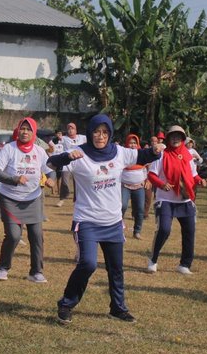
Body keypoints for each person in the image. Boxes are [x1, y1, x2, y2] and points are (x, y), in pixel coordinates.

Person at [49, 114, 164, 325]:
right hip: (87, 221)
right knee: (88, 263)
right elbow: (51, 161)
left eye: (104, 132)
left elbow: (141, 155)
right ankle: (66, 304)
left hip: (112, 222)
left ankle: (117, 308)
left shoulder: (119, 152)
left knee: (116, 267)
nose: (100, 136)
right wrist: (67, 158)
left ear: (109, 134)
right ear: (90, 132)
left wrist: (155, 152)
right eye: (96, 131)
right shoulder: (79, 153)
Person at [0, 117, 55, 283]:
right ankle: (3, 268)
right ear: (18, 130)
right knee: (13, 235)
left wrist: (51, 179)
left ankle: (36, 272)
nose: (25, 132)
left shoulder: (39, 151)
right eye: (22, 128)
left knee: (36, 236)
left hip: (33, 199)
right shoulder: (9, 149)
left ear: (34, 133)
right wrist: (14, 179)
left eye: (29, 129)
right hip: (10, 199)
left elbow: (50, 170)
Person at [146, 126, 206, 275]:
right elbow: (151, 175)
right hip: (165, 200)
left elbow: (192, 175)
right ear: (168, 138)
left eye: (179, 136)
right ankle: (153, 259)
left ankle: (184, 264)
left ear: (183, 139)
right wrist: (161, 184)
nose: (175, 139)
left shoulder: (187, 155)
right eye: (173, 136)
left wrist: (200, 180)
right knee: (164, 229)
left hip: (184, 200)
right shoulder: (161, 155)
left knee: (189, 231)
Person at [121, 134, 149, 240]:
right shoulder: (122, 155)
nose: (132, 145)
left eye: (134, 143)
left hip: (139, 186)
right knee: (122, 206)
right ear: (127, 144)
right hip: (124, 186)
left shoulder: (141, 155)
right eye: (130, 143)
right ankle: (119, 229)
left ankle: (137, 231)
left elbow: (146, 169)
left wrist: (147, 180)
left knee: (140, 209)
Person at [56, 123, 87, 207]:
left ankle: (77, 200)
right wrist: (57, 137)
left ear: (76, 130)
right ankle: (62, 199)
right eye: (69, 128)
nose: (70, 130)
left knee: (78, 181)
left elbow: (91, 140)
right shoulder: (64, 138)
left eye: (72, 128)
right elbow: (54, 142)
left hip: (79, 162)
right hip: (67, 162)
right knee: (64, 181)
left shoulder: (82, 137)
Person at [48, 129, 65, 196]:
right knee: (53, 176)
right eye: (58, 133)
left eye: (60, 133)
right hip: (54, 160)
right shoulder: (52, 142)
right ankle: (53, 190)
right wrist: (50, 157)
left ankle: (59, 191)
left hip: (61, 160)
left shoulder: (64, 141)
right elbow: (48, 150)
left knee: (59, 177)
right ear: (55, 134)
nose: (59, 135)